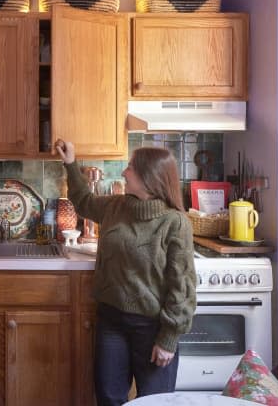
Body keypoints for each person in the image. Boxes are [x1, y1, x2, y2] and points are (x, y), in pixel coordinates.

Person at [54, 139, 197, 405]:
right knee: (109, 398)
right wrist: (71, 163)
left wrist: (168, 338)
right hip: (112, 321)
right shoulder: (116, 206)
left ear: (148, 177)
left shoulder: (174, 223)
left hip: (152, 327)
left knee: (154, 401)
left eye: (130, 167)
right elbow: (83, 201)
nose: (123, 172)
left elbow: (182, 288)